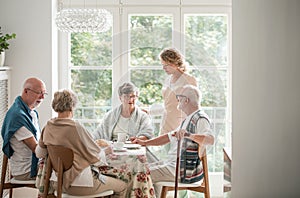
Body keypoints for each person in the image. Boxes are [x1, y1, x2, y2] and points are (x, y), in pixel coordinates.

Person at [35, 89, 128, 197]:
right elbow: (96, 158)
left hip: (57, 183)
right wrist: (106, 151)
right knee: (123, 186)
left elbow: (39, 154)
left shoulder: (48, 126)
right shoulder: (76, 127)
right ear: (72, 106)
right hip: (82, 184)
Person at [133, 85, 214, 197]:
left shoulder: (200, 118)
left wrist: (189, 135)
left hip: (181, 172)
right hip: (172, 166)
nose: (177, 99)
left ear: (186, 100)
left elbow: (210, 139)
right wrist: (145, 143)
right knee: (138, 169)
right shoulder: (188, 119)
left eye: (179, 97)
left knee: (138, 174)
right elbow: (168, 137)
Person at [1, 77, 47, 180]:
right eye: (39, 92)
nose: (42, 97)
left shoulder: (32, 112)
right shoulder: (18, 117)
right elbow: (36, 149)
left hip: (34, 164)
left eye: (44, 93)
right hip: (26, 170)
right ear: (26, 91)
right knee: (60, 174)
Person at [159, 47, 198, 135]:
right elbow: (168, 105)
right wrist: (150, 111)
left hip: (180, 126)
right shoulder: (167, 79)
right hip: (165, 124)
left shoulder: (189, 80)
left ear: (174, 63)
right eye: (162, 65)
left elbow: (194, 107)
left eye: (166, 65)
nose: (163, 68)